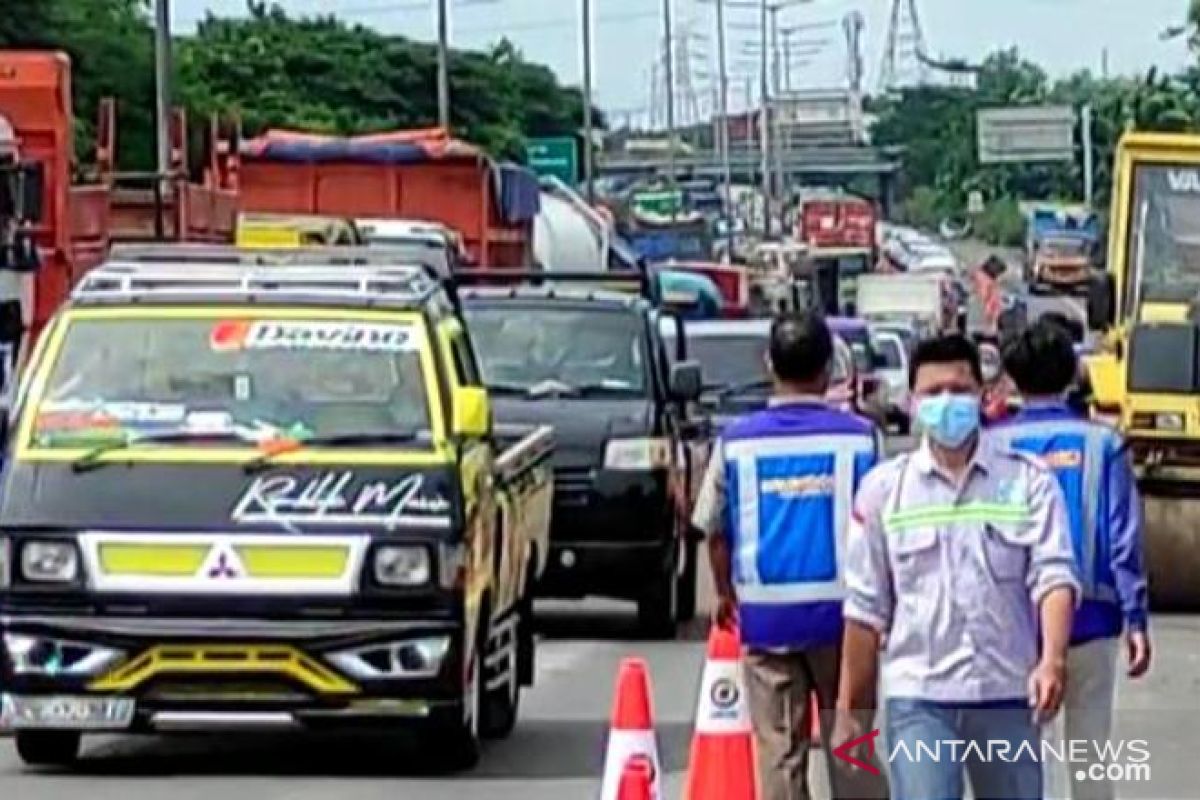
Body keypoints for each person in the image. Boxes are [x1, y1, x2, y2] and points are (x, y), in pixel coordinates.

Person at [836, 333, 1080, 800]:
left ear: (984, 397)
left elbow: (1053, 576)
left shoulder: (1028, 481)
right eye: (932, 392)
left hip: (1007, 694)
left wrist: (1052, 661)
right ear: (911, 402)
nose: (946, 402)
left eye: (958, 389)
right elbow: (865, 610)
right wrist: (853, 711)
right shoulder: (884, 491)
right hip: (920, 700)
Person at [691, 310, 887, 800]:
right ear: (829, 366)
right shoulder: (863, 438)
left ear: (768, 364)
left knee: (779, 752)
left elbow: (714, 527)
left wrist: (723, 593)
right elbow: (884, 528)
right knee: (851, 744)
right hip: (849, 621)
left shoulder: (736, 442)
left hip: (767, 621)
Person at [995, 319, 1151, 800]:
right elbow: (1123, 535)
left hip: (1014, 625)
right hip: (1092, 621)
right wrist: (1136, 618)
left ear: (1012, 376)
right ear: (1071, 374)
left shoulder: (991, 444)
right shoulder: (1103, 444)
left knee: (1017, 763)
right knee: (1090, 762)